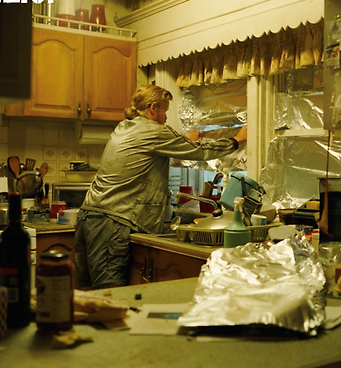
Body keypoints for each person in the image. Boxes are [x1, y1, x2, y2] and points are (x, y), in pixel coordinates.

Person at [74, 84, 247, 289]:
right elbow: (199, 151)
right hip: (112, 222)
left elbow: (155, 152)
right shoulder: (155, 131)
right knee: (109, 293)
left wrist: (184, 141)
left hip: (88, 218)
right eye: (165, 110)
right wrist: (236, 140)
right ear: (153, 108)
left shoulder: (124, 127)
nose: (166, 117)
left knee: (88, 293)